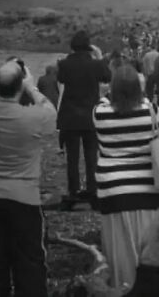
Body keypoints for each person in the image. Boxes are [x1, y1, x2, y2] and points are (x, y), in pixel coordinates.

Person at [0, 59, 56, 297]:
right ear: (20, 86)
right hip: (22, 198)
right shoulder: (33, 117)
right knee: (30, 262)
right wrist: (31, 87)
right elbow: (50, 111)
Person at [94, 64, 159, 292]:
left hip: (113, 189)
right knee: (149, 249)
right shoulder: (151, 112)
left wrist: (108, 93)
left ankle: (121, 289)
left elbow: (103, 101)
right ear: (138, 87)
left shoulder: (100, 114)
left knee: (119, 251)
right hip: (148, 187)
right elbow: (156, 125)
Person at [57, 30, 112, 210]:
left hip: (70, 115)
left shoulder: (64, 64)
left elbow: (61, 79)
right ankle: (92, 190)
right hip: (90, 114)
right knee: (91, 156)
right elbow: (107, 77)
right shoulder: (95, 64)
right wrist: (99, 57)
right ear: (88, 47)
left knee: (72, 157)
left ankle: (74, 190)